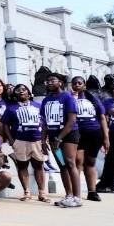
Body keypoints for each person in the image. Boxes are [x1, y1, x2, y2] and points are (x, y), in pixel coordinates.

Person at [1, 84, 49, 203]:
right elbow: (5, 125)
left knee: (39, 165)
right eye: (18, 90)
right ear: (14, 94)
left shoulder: (38, 105)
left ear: (29, 92)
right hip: (20, 140)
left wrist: (44, 140)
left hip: (37, 140)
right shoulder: (11, 108)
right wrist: (11, 140)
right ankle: (26, 192)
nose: (21, 92)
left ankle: (42, 193)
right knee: (22, 166)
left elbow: (44, 124)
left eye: (24, 89)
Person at [42, 73, 82, 208]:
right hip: (54, 138)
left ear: (60, 83)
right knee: (62, 165)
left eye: (53, 80)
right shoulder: (46, 100)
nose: (50, 82)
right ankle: (68, 195)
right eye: (48, 81)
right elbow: (44, 122)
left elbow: (71, 121)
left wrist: (60, 138)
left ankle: (77, 197)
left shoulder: (67, 97)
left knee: (70, 163)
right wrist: (43, 140)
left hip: (68, 136)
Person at [70, 76, 109, 202]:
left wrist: (106, 137)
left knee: (90, 162)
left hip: (94, 133)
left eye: (79, 83)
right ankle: (75, 191)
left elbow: (102, 118)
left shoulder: (92, 99)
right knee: (78, 161)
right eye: (74, 83)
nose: (77, 85)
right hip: (77, 133)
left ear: (84, 85)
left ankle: (92, 191)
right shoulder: (69, 98)